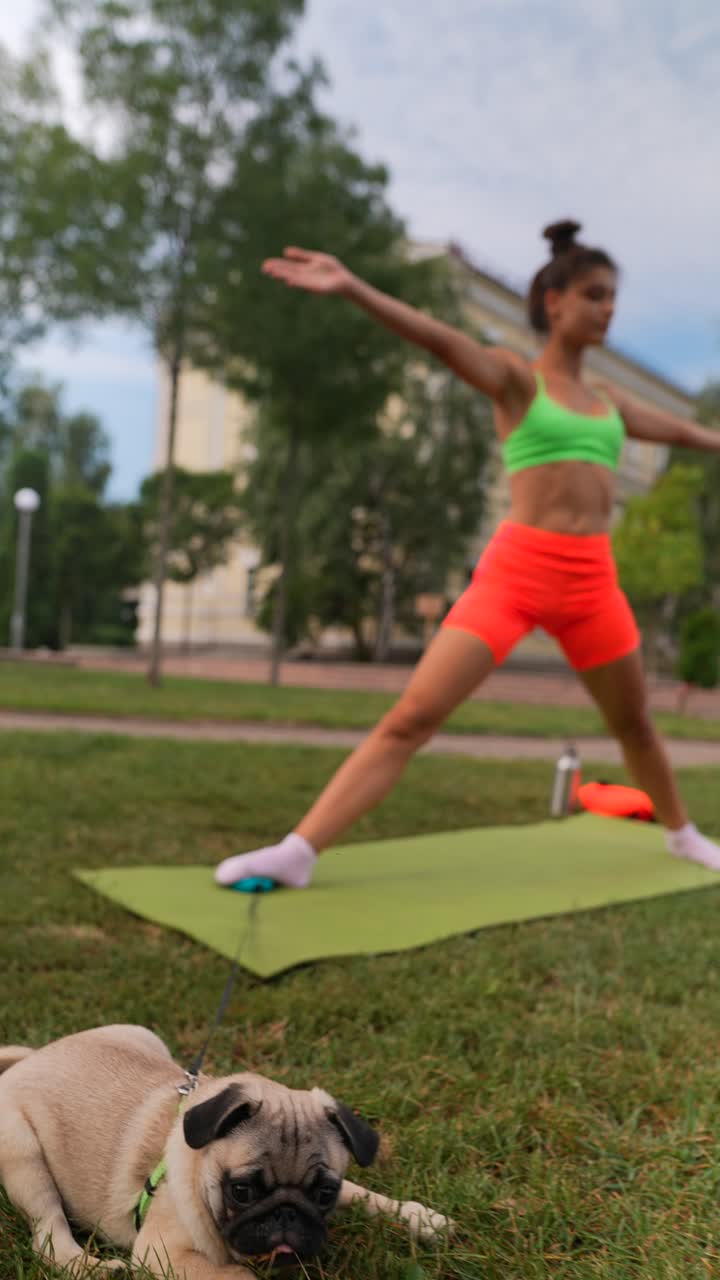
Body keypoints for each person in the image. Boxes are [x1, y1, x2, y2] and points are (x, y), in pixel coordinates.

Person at [216, 220, 720, 889]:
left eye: (612, 297)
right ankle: (299, 850)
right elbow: (439, 338)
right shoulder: (517, 380)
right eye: (595, 294)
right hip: (518, 571)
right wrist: (353, 287)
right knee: (414, 716)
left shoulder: (610, 403)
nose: (608, 309)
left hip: (594, 581)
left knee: (634, 723)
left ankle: (683, 835)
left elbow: (688, 431)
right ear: (555, 302)